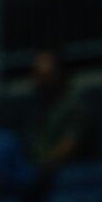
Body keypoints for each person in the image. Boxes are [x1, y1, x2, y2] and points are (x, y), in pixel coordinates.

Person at [20, 49, 91, 187]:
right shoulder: (36, 107)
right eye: (36, 75)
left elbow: (69, 146)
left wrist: (37, 168)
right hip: (41, 175)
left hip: (71, 177)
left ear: (60, 74)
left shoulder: (76, 106)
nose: (38, 82)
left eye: (45, 76)